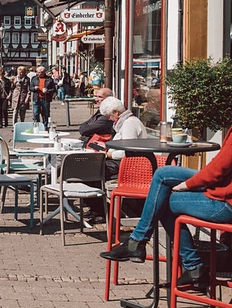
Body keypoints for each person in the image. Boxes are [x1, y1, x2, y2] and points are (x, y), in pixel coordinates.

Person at [101, 126, 232, 291]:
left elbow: (218, 171)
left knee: (162, 202)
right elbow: (219, 165)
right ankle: (139, 244)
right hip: (223, 188)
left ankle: (189, 264)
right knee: (163, 174)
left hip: (225, 203)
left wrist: (186, 185)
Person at [98, 96, 149, 178]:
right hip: (121, 161)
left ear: (116, 112)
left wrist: (108, 155)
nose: (109, 119)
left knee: (95, 169)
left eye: (108, 116)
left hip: (128, 164)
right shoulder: (125, 122)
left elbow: (128, 152)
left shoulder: (129, 124)